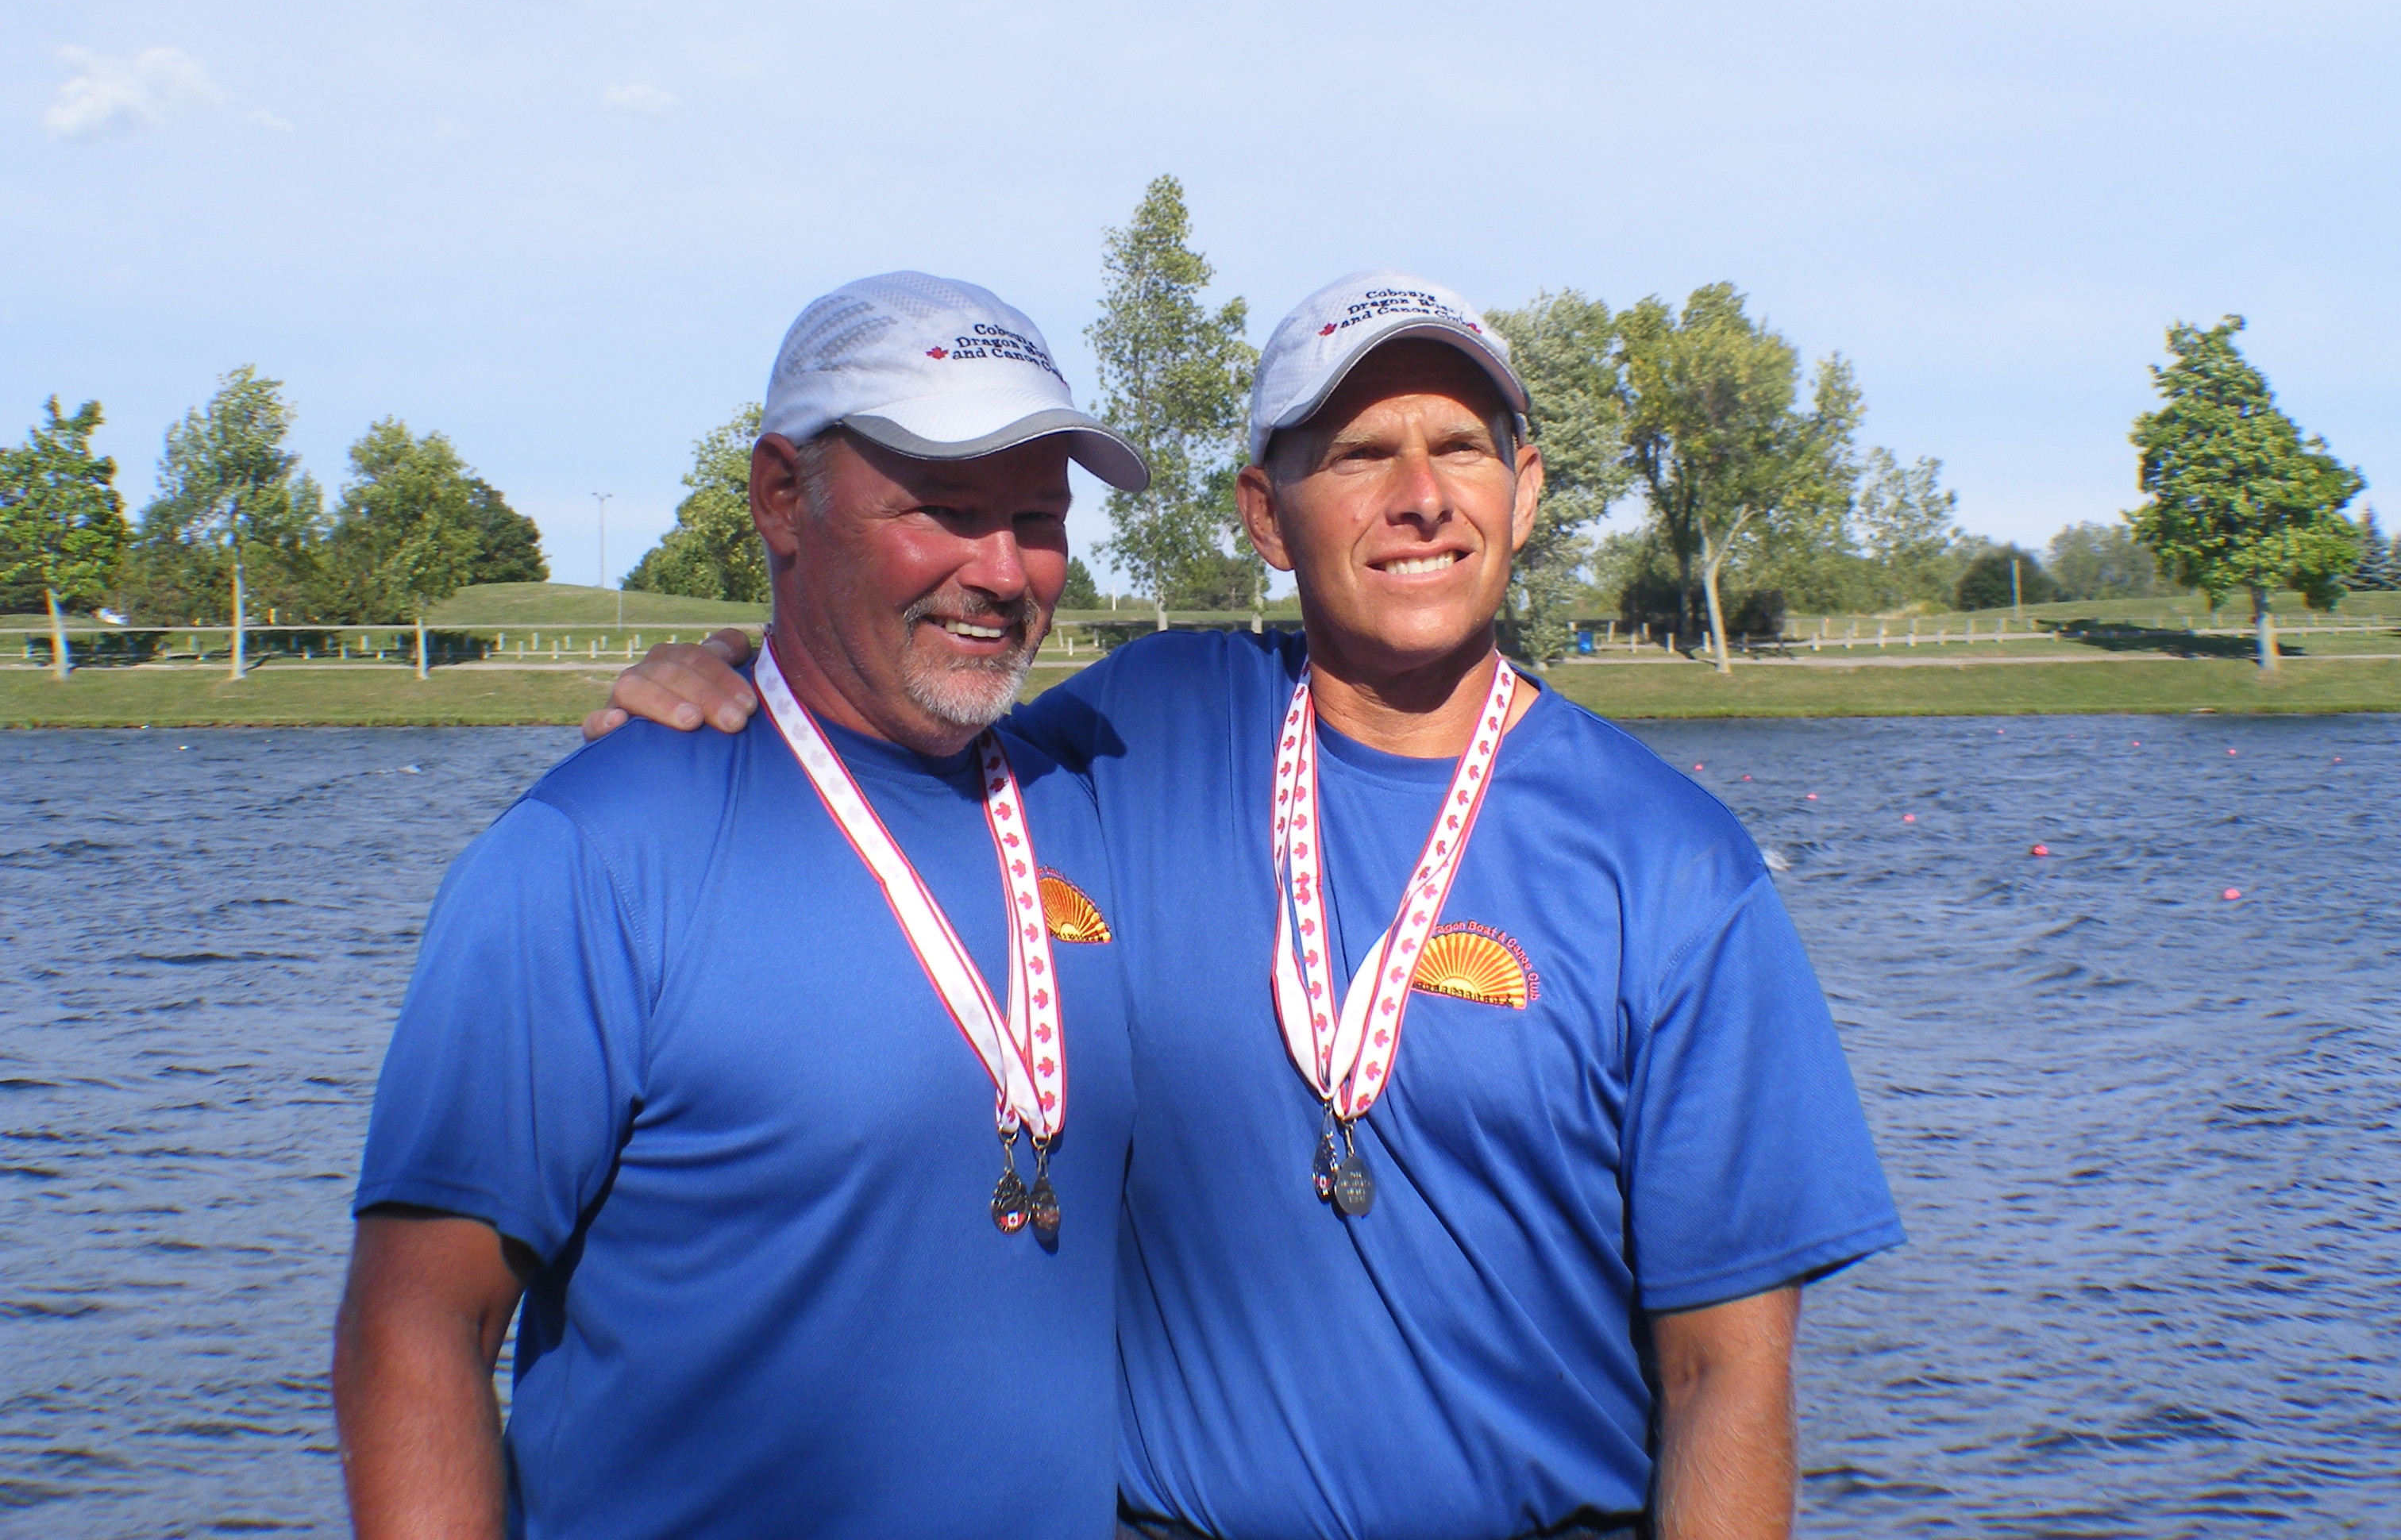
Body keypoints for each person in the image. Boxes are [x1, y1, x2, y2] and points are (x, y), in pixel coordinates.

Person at [603, 271, 1905, 1540]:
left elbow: (1725, 1375)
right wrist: (725, 683)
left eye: (1462, 446)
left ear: (1529, 487)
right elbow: (887, 738)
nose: (1421, 499)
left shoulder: (1674, 865)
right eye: (1355, 454)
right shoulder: (1137, 734)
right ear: (1265, 516)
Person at [333, 272, 1149, 1540]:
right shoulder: (588, 854)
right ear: (782, 495)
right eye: (944, 510)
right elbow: (418, 1324)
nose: (1002, 571)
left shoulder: (1095, 798)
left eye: (1038, 517)